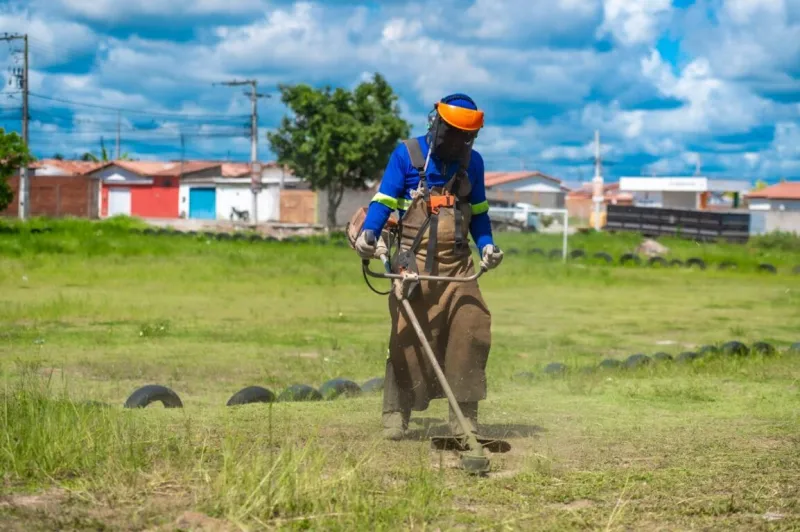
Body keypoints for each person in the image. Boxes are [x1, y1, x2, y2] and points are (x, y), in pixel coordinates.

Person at [353, 93, 503, 441]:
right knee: (406, 336)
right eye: (452, 133)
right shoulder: (407, 155)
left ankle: (464, 419)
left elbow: (479, 216)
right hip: (412, 265)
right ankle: (395, 412)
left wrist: (488, 247)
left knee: (473, 327)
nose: (458, 142)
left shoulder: (473, 164)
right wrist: (369, 235)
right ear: (436, 125)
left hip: (458, 268)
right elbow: (384, 201)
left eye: (466, 137)